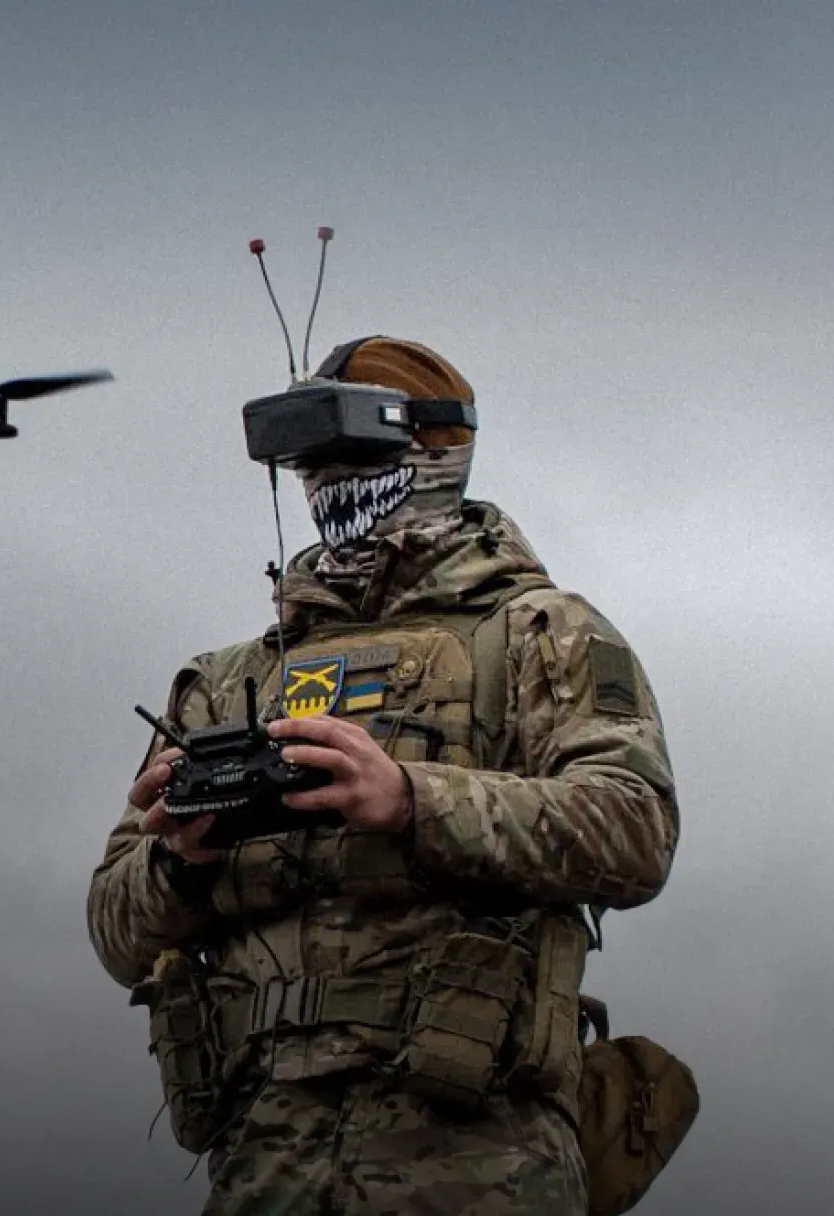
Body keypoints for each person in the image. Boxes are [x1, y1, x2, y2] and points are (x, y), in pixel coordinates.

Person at [86, 336, 680, 1214]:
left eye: (349, 455)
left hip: (476, 1152)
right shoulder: (226, 680)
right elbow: (113, 929)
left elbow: (634, 831)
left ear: (432, 451)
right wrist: (180, 860)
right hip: (266, 1151)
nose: (325, 482)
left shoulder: (535, 634)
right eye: (307, 463)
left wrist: (411, 799)